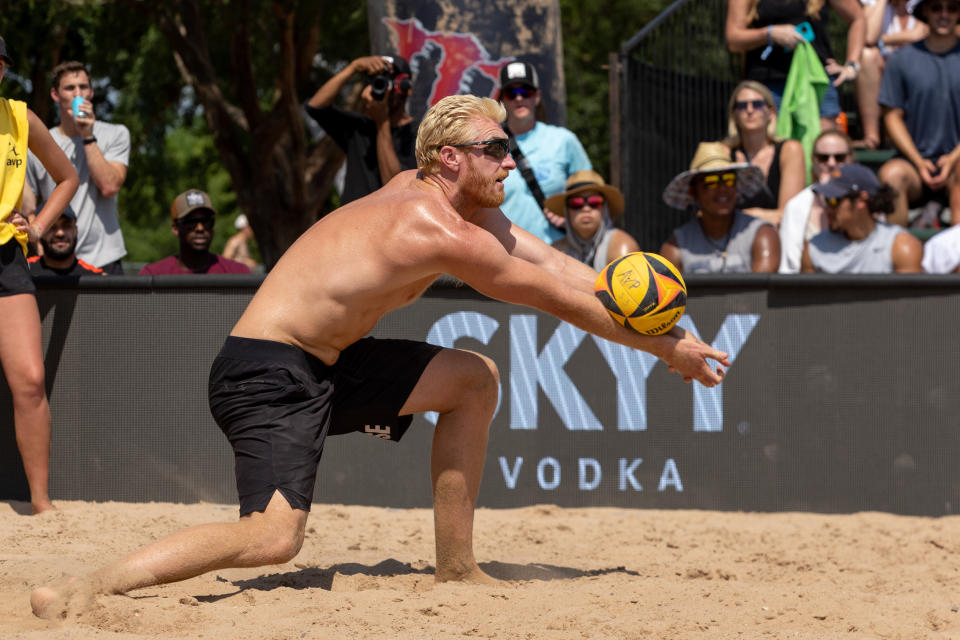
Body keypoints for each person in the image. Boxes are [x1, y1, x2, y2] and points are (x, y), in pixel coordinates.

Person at [30, 94, 729, 618]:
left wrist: (668, 328)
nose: (510, 161)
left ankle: (456, 570)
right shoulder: (432, 226)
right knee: (274, 538)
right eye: (495, 149)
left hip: (327, 363)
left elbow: (556, 265)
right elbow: (555, 299)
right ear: (449, 157)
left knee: (472, 379)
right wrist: (666, 350)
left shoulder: (454, 203)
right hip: (264, 373)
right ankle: (90, 584)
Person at [0, 37, 79, 514]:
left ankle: (41, 504)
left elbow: (67, 176)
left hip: (7, 257)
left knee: (30, 379)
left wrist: (41, 226)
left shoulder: (20, 116)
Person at [26, 60, 130, 275]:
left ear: (91, 92)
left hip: (104, 257)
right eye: (70, 88)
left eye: (83, 87)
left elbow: (110, 186)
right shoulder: (40, 143)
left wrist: (87, 135)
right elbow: (29, 205)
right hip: (55, 257)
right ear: (55, 95)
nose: (77, 93)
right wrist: (38, 247)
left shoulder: (116, 134)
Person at [877, 0, 960, 227]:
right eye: (936, 7)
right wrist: (919, 161)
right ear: (925, 11)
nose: (944, 14)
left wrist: (953, 159)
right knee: (891, 175)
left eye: (952, 8)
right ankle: (901, 253)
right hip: (913, 163)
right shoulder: (901, 59)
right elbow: (892, 116)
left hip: (957, 162)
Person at [725, 0, 866, 131]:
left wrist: (852, 65)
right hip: (769, 86)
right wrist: (769, 33)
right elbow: (733, 39)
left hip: (816, 82)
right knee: (776, 150)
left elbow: (857, 18)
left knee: (824, 148)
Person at [497, 61, 592, 244]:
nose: (519, 98)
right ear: (502, 101)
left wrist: (573, 220)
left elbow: (590, 193)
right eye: (511, 93)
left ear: (537, 96)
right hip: (506, 256)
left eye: (526, 92)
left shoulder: (563, 140)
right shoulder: (488, 146)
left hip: (558, 251)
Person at [305, 54, 417, 204]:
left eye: (388, 82)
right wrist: (353, 67)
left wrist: (382, 122)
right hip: (352, 224)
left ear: (405, 88)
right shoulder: (359, 127)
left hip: (387, 225)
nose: (383, 89)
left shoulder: (419, 135)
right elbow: (315, 107)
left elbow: (396, 187)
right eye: (377, 82)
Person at [660, 141, 781, 273]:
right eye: (711, 182)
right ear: (694, 192)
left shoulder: (762, 235)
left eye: (729, 180)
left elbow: (761, 291)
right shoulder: (676, 246)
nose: (723, 189)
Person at [801, 163, 923, 272]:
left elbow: (911, 298)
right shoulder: (813, 249)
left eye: (834, 201)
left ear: (861, 200)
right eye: (826, 200)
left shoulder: (901, 248)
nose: (827, 208)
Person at [722, 81, 806, 226]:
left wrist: (741, 216)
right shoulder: (723, 153)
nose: (749, 110)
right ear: (734, 115)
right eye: (742, 106)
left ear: (771, 113)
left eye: (757, 104)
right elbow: (709, 213)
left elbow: (788, 216)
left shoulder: (790, 149)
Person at [779, 130, 856, 272]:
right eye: (823, 158)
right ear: (814, 161)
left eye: (839, 157)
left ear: (850, 160)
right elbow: (788, 266)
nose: (831, 163)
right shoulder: (796, 206)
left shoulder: (864, 201)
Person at [855, 0, 928, 149]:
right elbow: (868, 37)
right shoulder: (875, 4)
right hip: (884, 73)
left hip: (918, 71)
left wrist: (881, 41)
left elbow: (920, 35)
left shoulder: (925, 5)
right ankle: (872, 137)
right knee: (867, 56)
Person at [139, 190, 251, 275]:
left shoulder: (237, 273)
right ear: (175, 228)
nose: (200, 228)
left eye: (206, 221)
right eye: (191, 222)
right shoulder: (153, 275)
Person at [544, 170, 639, 270]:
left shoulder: (622, 247)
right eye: (576, 203)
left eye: (594, 202)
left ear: (605, 208)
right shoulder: (557, 250)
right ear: (567, 211)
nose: (586, 208)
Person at [27, 207, 103, 276]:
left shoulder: (97, 279)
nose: (60, 233)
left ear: (76, 230)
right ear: (40, 233)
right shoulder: (24, 271)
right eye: (52, 227)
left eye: (66, 225)